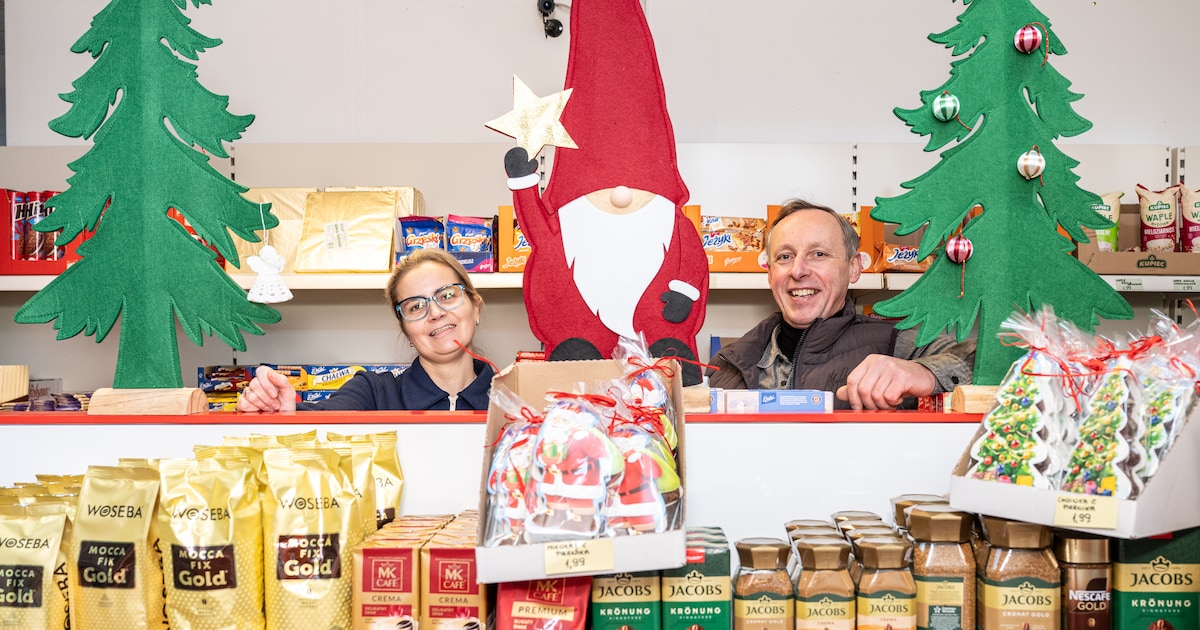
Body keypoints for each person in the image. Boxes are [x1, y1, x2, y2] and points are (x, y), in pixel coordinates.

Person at [706, 199, 976, 410]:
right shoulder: (727, 363)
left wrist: (922, 373)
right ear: (770, 273)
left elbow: (983, 361)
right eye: (785, 256)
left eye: (818, 254)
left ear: (854, 268)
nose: (798, 270)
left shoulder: (895, 344)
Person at [237, 248, 494, 412]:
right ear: (406, 330)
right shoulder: (374, 392)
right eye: (416, 306)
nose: (435, 312)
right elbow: (326, 417)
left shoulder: (510, 399)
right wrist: (282, 410)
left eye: (447, 295)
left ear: (476, 307)